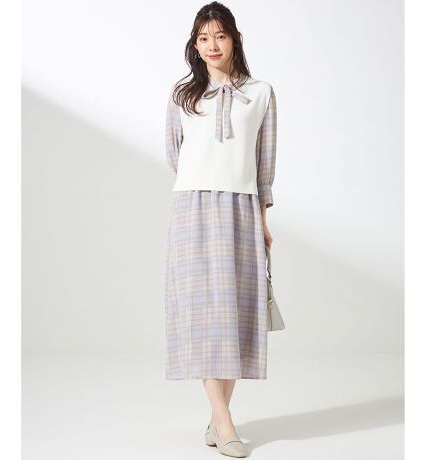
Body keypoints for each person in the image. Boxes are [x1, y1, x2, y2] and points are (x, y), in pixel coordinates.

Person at [164, 2, 276, 457]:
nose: (212, 45)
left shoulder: (261, 93)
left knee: (233, 314)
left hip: (243, 207)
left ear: (235, 39)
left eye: (220, 35)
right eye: (203, 38)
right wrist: (203, 181)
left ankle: (217, 419)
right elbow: (174, 153)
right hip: (193, 208)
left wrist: (263, 217)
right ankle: (225, 421)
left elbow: (265, 161)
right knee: (203, 315)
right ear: (195, 45)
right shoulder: (182, 95)